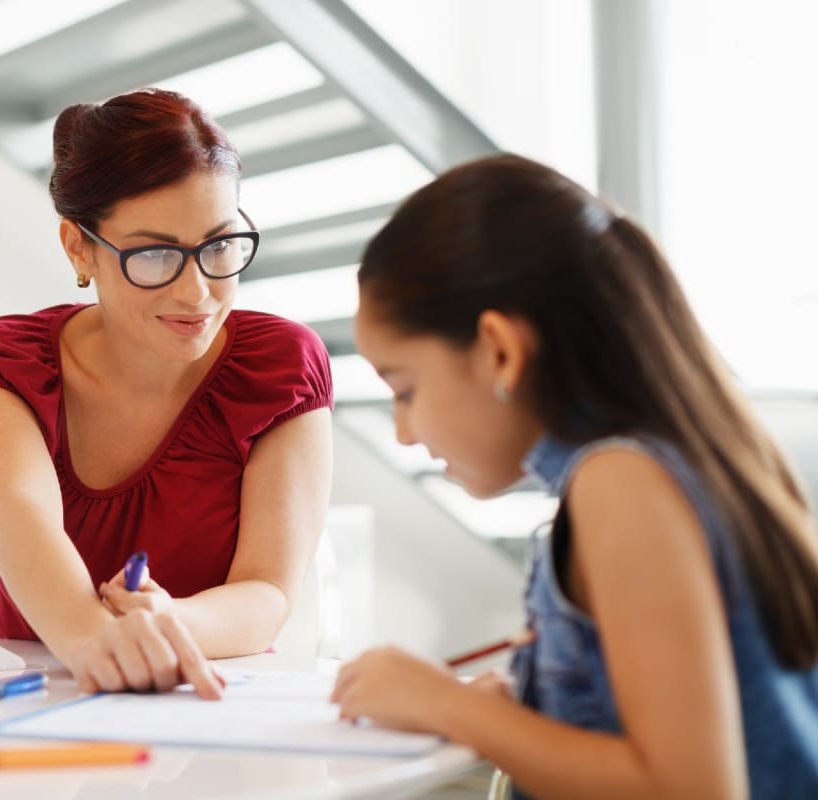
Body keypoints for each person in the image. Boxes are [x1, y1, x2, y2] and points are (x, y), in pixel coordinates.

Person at [332, 154, 818, 798]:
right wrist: (530, 703)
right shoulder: (677, 459)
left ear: (499, 350)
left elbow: (691, 787)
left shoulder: (622, 483)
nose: (404, 431)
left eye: (405, 388)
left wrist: (451, 708)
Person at [0, 89, 334, 700]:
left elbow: (268, 590)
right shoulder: (6, 363)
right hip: (44, 708)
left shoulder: (281, 365)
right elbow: (15, 521)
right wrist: (90, 640)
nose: (197, 292)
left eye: (219, 247)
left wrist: (163, 625)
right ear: (79, 247)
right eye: (156, 255)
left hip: (211, 709)